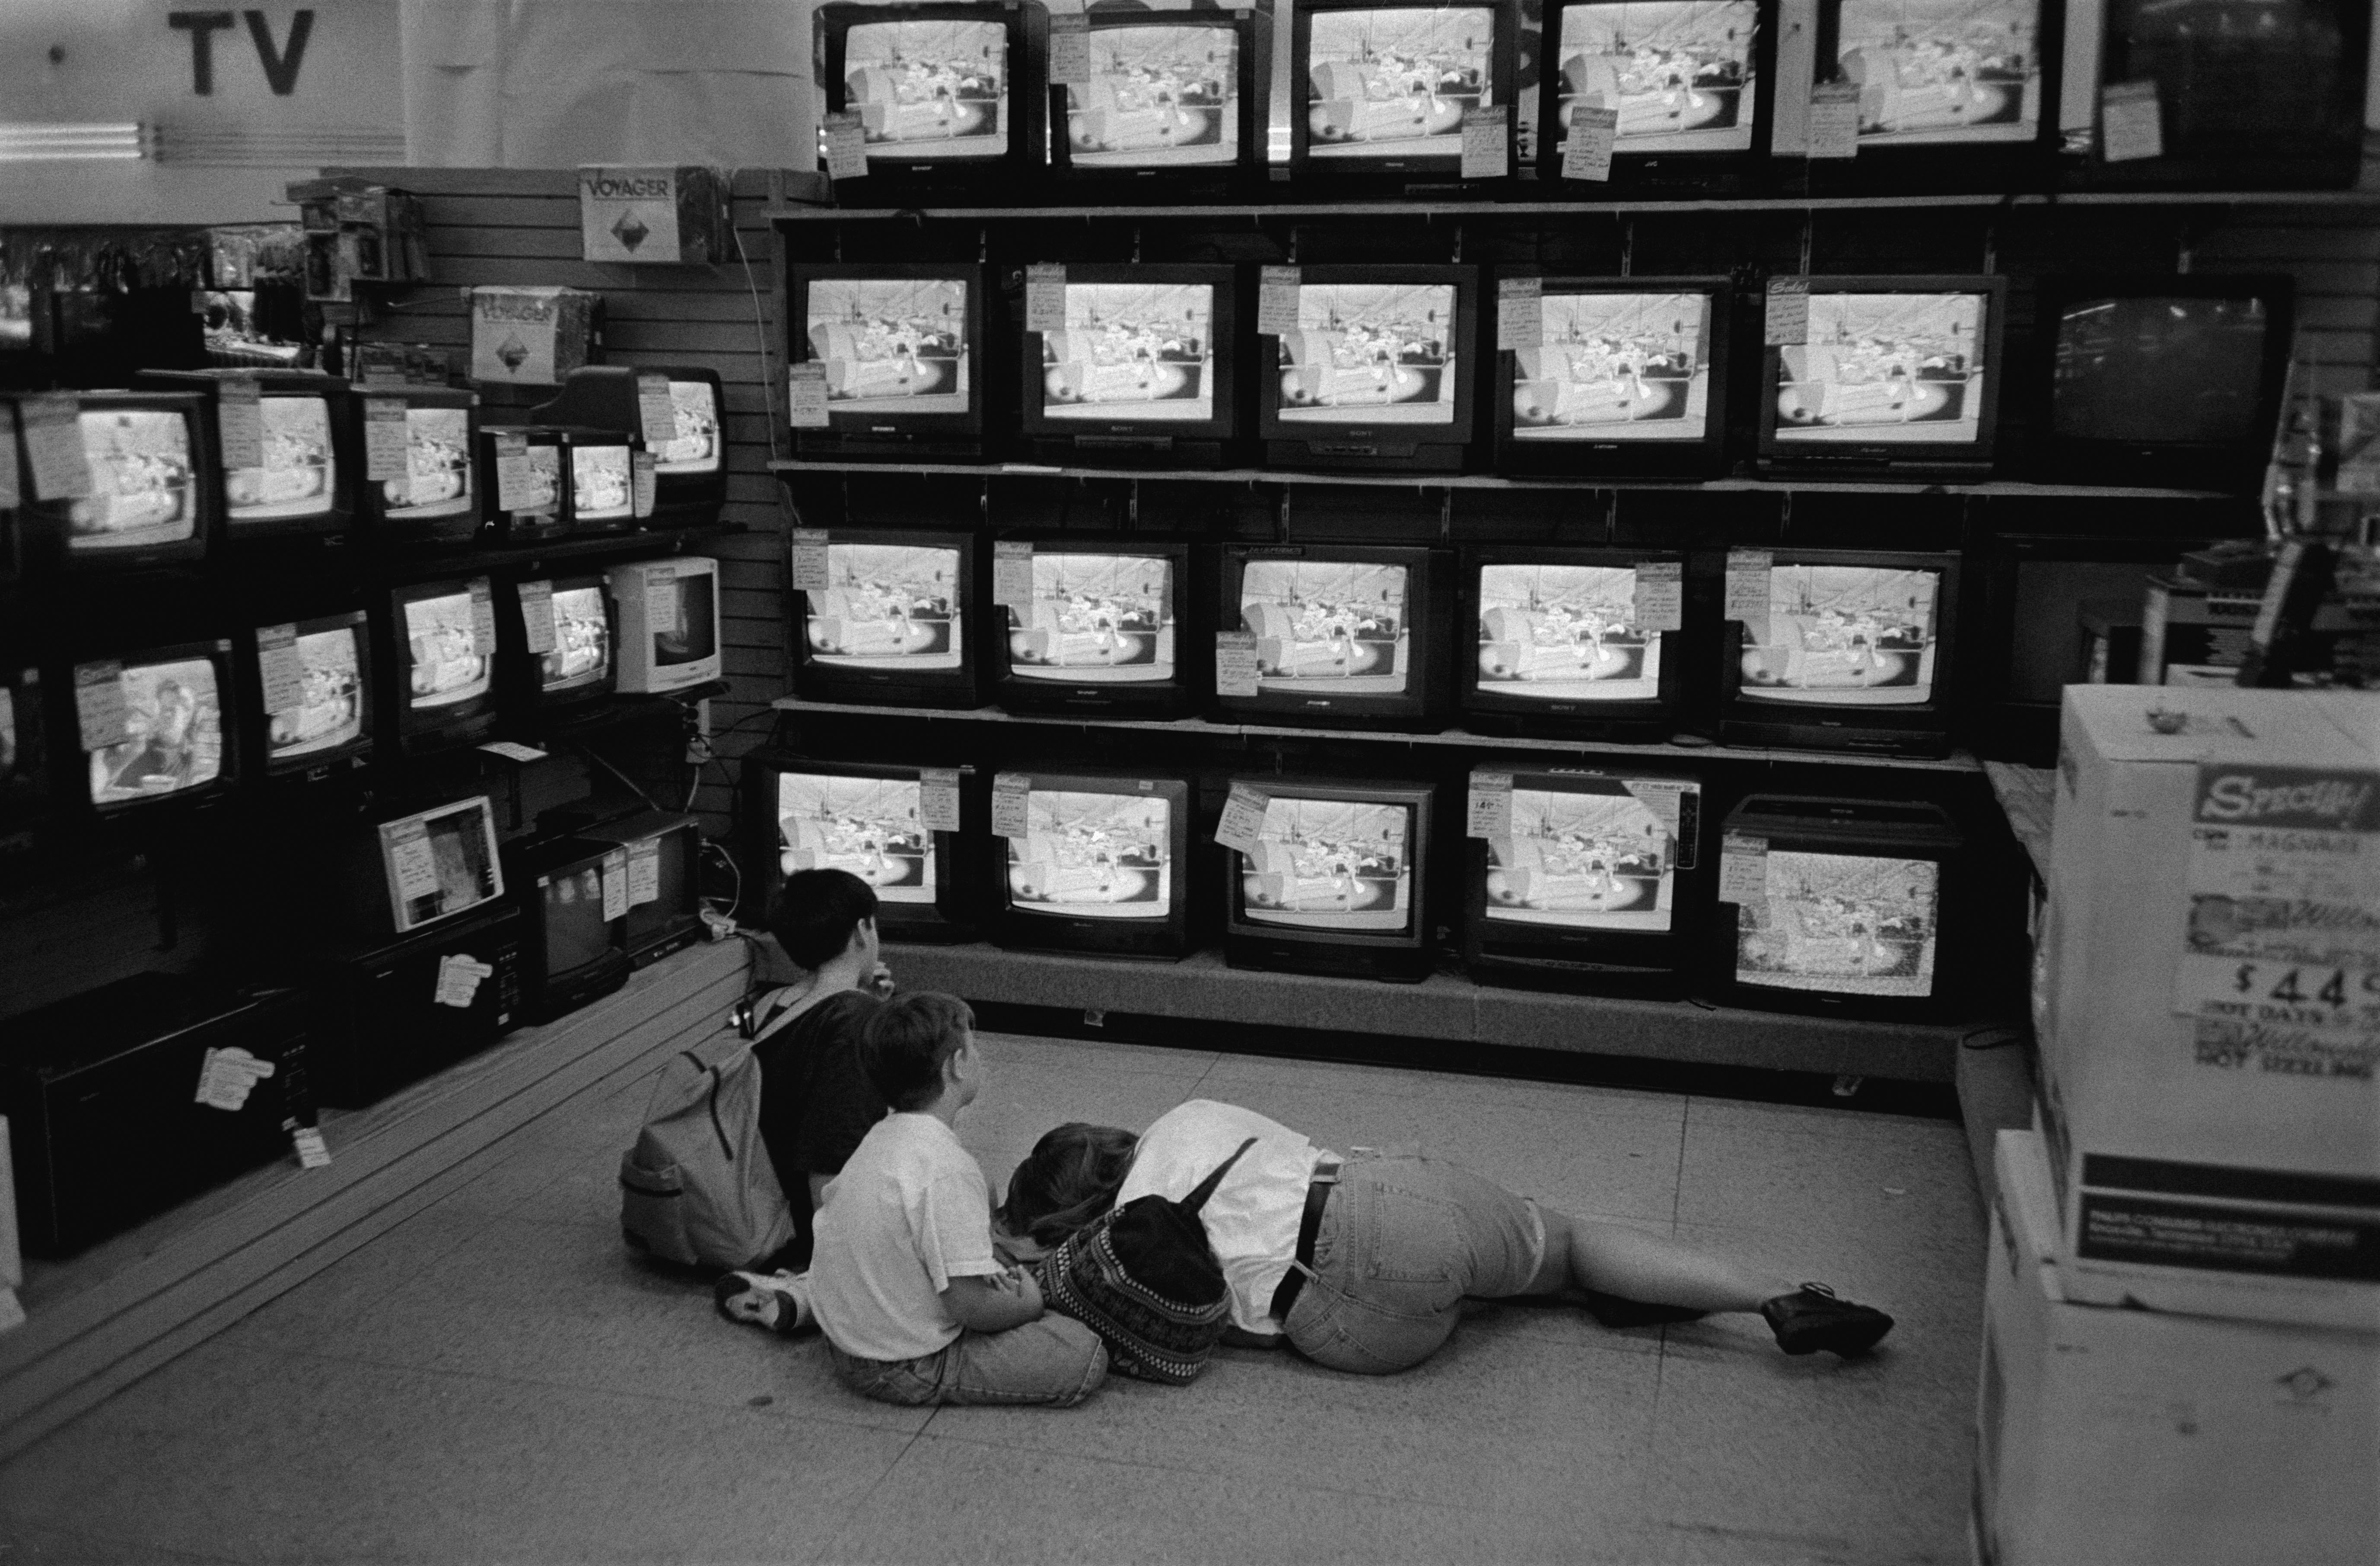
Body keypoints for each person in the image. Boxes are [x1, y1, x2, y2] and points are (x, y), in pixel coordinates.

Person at [997, 1099, 1895, 1376]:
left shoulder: (1118, 1250)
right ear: (1107, 1141)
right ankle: (1774, 1298)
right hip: (1390, 1211)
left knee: (1502, 1284)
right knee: (1569, 1241)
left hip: (1356, 1340)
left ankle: (1580, 1293)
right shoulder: (1190, 1117)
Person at [720, 993, 1109, 1409]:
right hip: (901, 1364)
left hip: (847, 1338)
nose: (979, 1057)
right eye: (974, 1047)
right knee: (1081, 1353)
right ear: (956, 1066)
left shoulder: (878, 1140)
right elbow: (970, 1306)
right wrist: (1029, 1303)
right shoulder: (948, 1170)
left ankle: (803, 1300)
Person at [746, 867, 896, 1269]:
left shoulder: (769, 1004)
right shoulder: (855, 1021)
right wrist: (837, 1265)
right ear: (862, 931)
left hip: (761, 1198)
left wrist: (870, 1005)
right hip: (803, 1226)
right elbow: (831, 1155)